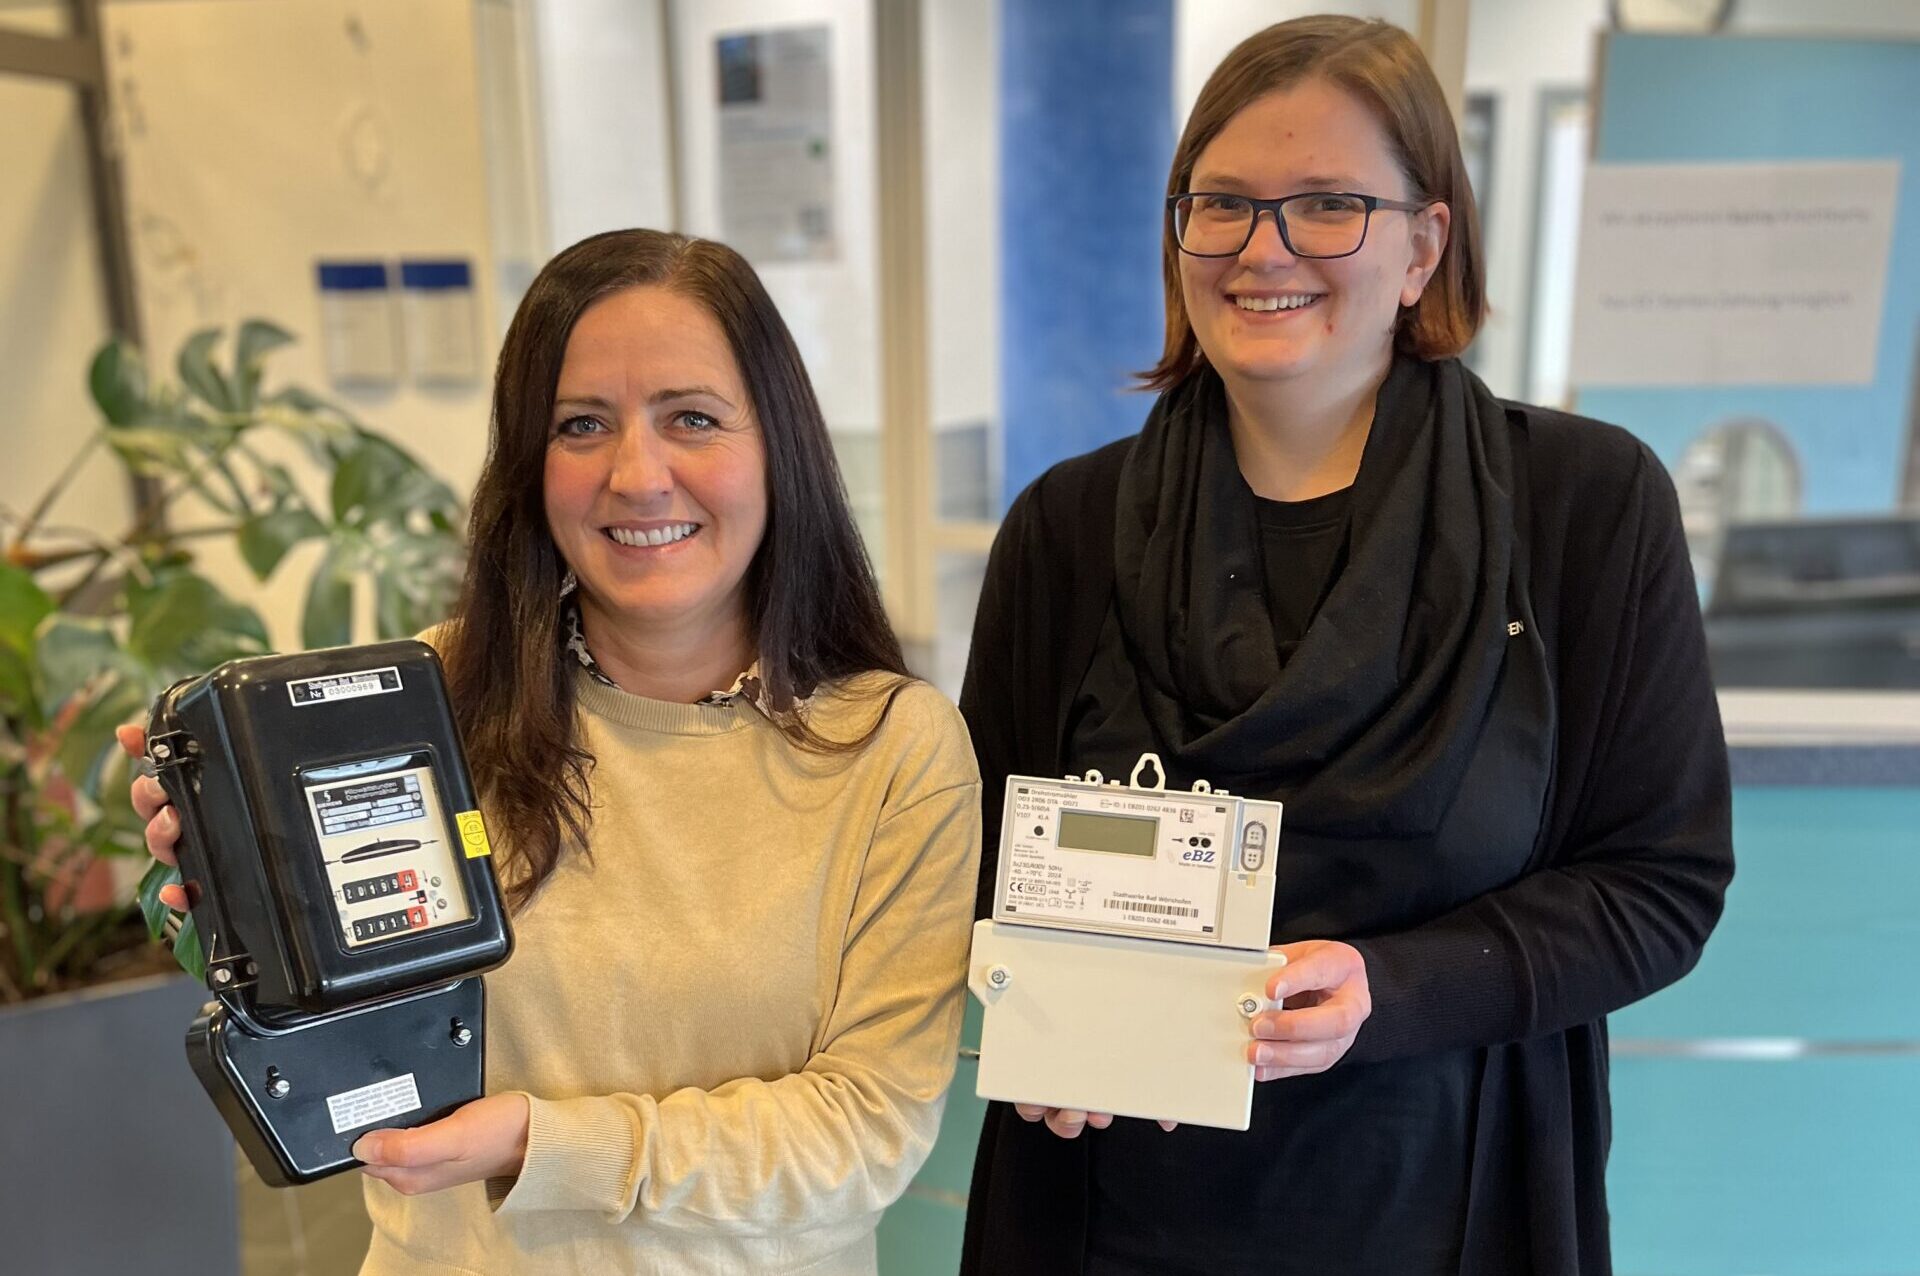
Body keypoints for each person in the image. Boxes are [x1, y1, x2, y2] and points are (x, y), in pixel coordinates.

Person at [957, 16, 1732, 1275]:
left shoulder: (1582, 509)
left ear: (1426, 245)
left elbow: (1660, 884)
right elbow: (976, 859)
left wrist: (1396, 986)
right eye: (1222, 204)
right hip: (1113, 1209)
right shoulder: (1069, 528)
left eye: (1327, 205)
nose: (1263, 249)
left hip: (1449, 1207)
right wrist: (1033, 999)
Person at [119, 229, 981, 1276]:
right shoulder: (431, 696)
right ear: (530, 465)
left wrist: (545, 1144)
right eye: (581, 425)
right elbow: (334, 1028)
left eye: (692, 418)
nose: (638, 475)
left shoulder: (892, 749)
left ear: (779, 444)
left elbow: (863, 1135)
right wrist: (227, 902)